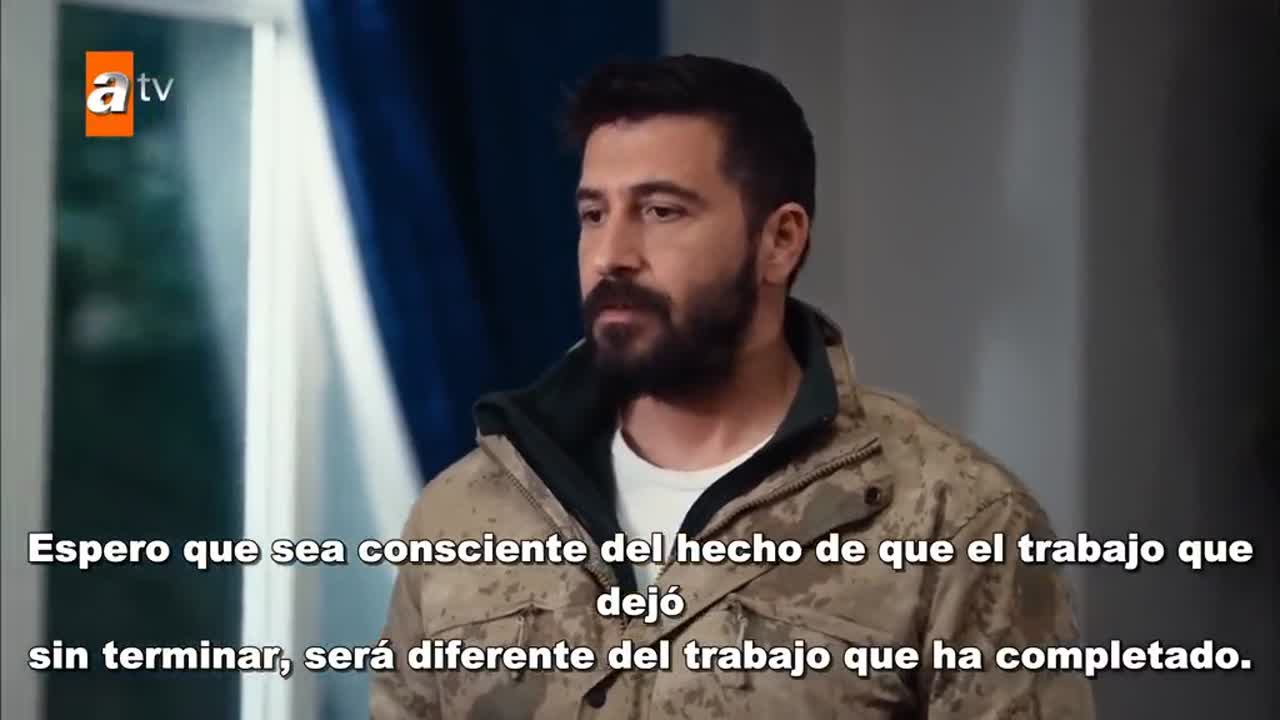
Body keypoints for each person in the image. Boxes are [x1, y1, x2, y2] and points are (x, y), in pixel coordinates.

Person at [370, 54, 1095, 719]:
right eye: (594, 215)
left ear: (780, 241)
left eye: (661, 211)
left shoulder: (957, 523)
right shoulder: (462, 517)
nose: (611, 255)